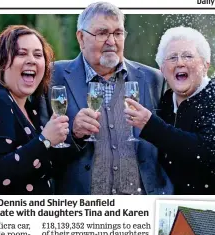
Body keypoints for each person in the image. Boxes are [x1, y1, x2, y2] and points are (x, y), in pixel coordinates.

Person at [40, 2, 172, 195]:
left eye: (118, 33)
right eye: (102, 33)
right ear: (81, 38)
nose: (112, 41)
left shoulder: (154, 79)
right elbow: (39, 150)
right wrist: (74, 136)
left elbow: (168, 143)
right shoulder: (52, 77)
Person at [123, 26, 215, 195]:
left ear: (205, 65)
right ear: (162, 69)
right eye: (172, 58)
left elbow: (206, 151)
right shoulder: (166, 100)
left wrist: (151, 125)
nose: (180, 63)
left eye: (188, 56)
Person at [0, 25, 69, 195]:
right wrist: (45, 140)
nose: (31, 60)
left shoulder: (28, 108)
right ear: (2, 62)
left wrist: (77, 136)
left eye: (38, 55)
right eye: (21, 53)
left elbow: (40, 166)